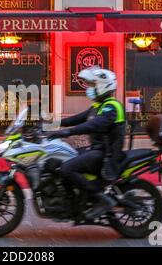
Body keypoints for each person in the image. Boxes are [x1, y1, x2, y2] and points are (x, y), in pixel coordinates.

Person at [46, 66, 126, 220]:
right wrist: (51, 124)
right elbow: (78, 118)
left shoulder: (112, 107)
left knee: (67, 168)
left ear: (103, 86)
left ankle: (101, 199)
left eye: (92, 85)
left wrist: (68, 132)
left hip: (106, 154)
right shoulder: (98, 106)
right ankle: (72, 200)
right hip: (96, 149)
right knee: (62, 158)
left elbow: (93, 125)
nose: (89, 89)